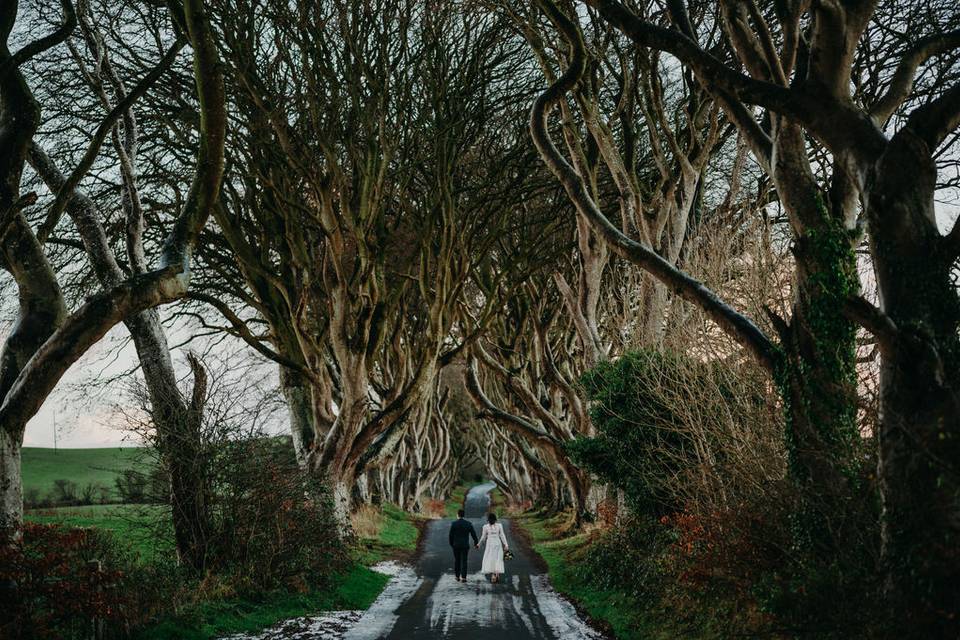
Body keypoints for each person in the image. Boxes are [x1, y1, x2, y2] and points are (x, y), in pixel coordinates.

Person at [448, 508, 479, 583]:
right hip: (465, 545)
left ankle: (457, 576)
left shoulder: (454, 524)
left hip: (456, 545)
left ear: (458, 515)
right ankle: (464, 577)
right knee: (464, 561)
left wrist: (452, 544)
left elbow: (450, 535)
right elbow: (473, 534)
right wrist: (476, 543)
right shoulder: (468, 524)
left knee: (457, 560)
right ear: (464, 515)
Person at [478, 512, 509, 583]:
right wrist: (506, 545)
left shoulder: (485, 527)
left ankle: (494, 575)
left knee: (491, 559)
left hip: (490, 545)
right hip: (498, 544)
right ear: (495, 519)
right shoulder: (499, 526)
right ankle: (496, 573)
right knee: (498, 559)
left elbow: (483, 537)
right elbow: (502, 535)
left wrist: (479, 544)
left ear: (488, 520)